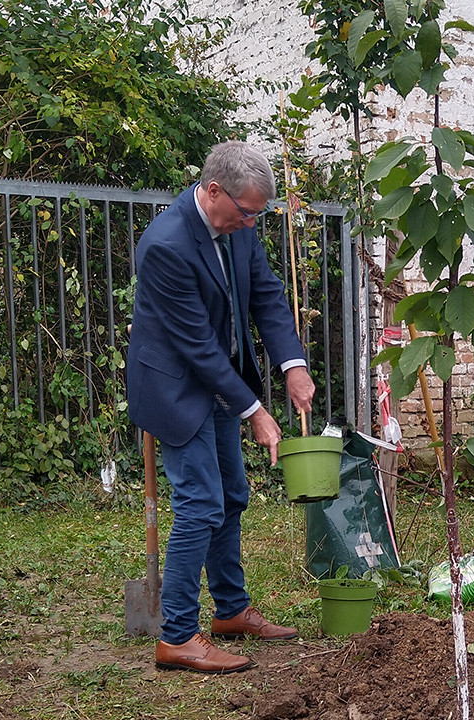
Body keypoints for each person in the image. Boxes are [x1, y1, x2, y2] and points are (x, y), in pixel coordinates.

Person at [127, 140, 315, 674]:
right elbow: (196, 346)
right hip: (175, 387)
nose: (253, 223)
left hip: (219, 383)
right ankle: (178, 636)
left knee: (232, 493)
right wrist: (255, 409)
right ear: (213, 192)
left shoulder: (240, 232)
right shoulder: (165, 244)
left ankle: (230, 611)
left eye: (259, 213)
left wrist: (292, 365)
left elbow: (267, 296)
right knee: (201, 504)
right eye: (247, 211)